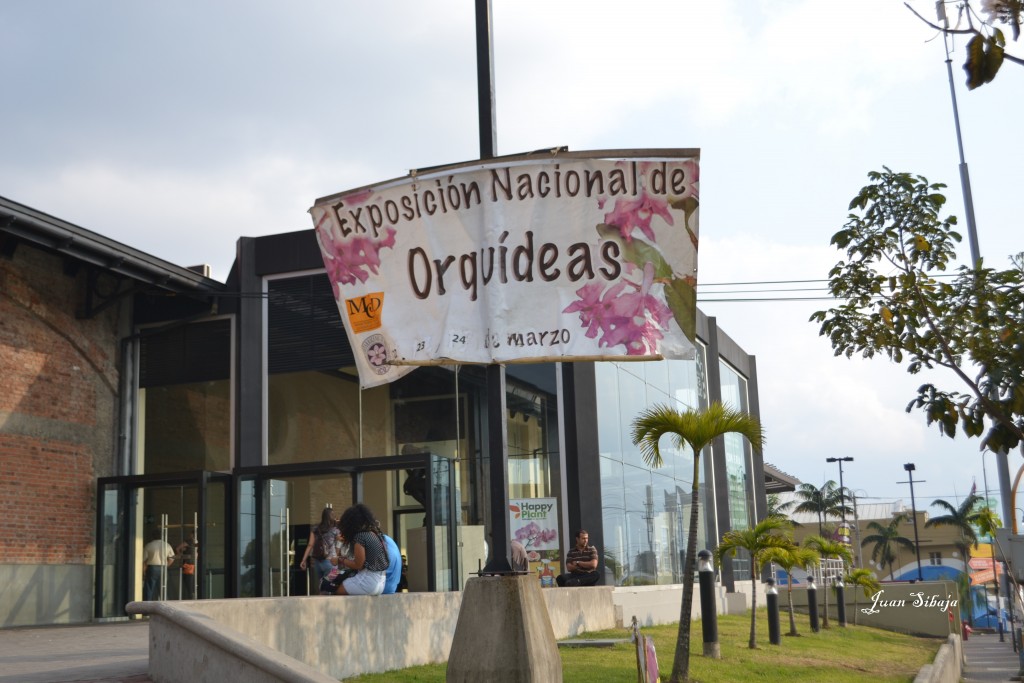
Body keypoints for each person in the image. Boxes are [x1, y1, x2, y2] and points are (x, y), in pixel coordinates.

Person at [332, 503, 390, 596]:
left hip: (368, 581)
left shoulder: (360, 536)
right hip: (381, 582)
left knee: (334, 590)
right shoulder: (374, 534)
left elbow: (358, 565)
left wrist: (339, 560)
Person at [299, 507, 339, 590]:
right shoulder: (335, 530)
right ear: (332, 517)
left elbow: (310, 545)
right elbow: (343, 540)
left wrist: (303, 560)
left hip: (318, 563)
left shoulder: (315, 529)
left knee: (322, 588)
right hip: (331, 563)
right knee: (331, 588)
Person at [142, 530, 175, 601]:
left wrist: (144, 571)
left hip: (152, 568)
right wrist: (166, 565)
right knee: (163, 588)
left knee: (149, 588)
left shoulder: (149, 545)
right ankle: (165, 605)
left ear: (153, 536)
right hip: (163, 567)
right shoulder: (167, 545)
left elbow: (143, 559)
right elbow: (172, 558)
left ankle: (147, 606)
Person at [176, 532, 197, 600]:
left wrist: (180, 555)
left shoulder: (189, 541)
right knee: (190, 581)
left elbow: (177, 548)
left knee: (188, 581)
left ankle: (190, 596)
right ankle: (191, 596)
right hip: (193, 564)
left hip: (188, 564)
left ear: (192, 535)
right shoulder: (196, 543)